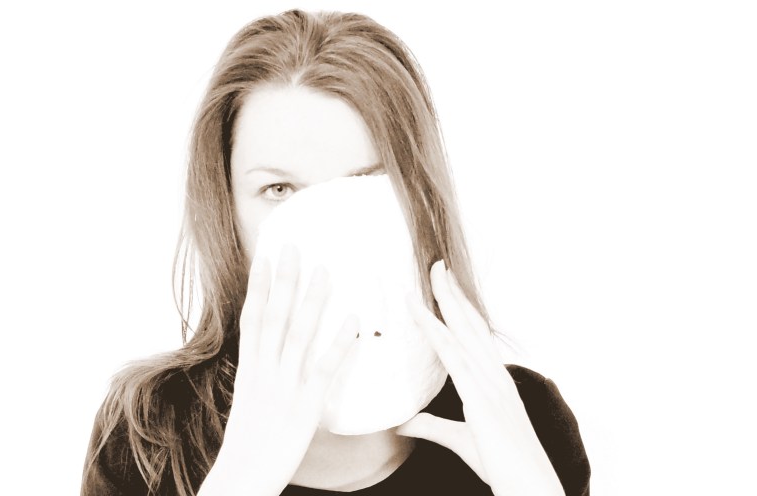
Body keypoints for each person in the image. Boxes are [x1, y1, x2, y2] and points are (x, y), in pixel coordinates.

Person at [81, 9, 590, 496]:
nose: (331, 236)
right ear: (227, 212)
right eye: (280, 190)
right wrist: (239, 481)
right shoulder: (148, 435)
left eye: (366, 185)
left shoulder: (520, 423)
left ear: (419, 198)